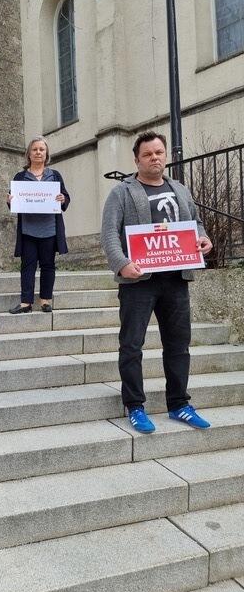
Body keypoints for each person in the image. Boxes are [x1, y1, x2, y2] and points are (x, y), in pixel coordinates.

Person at [101, 130, 213, 434]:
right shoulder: (122, 192)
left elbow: (196, 224)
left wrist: (203, 239)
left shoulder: (180, 189)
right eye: (148, 154)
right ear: (137, 159)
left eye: (159, 153)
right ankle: (135, 406)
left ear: (166, 155)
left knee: (178, 345)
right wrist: (122, 265)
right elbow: (110, 233)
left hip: (176, 279)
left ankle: (179, 404)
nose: (155, 158)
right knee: (132, 345)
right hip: (139, 281)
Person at [8, 135, 70, 314]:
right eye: (34, 149)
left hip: (49, 229)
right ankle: (26, 303)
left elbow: (65, 197)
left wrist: (62, 198)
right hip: (28, 230)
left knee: (48, 265)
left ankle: (45, 300)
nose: (38, 152)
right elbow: (13, 199)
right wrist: (9, 200)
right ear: (28, 154)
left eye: (41, 149)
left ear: (46, 153)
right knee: (27, 266)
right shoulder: (20, 177)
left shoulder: (55, 175)